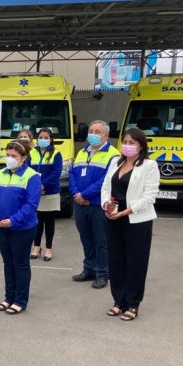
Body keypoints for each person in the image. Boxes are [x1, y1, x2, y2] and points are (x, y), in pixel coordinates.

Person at [101, 128, 159, 321]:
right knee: (116, 260)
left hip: (136, 220)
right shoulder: (115, 163)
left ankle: (133, 304)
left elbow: (150, 196)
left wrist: (127, 211)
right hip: (113, 218)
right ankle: (118, 301)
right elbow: (106, 187)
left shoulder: (149, 166)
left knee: (136, 262)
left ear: (140, 146)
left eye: (132, 142)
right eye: (125, 141)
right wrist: (106, 205)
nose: (127, 145)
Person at [0, 141, 41, 315]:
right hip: (1, 226)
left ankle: (20, 300)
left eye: (14, 156)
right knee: (8, 263)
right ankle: (9, 297)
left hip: (22, 228)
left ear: (23, 158)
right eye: (7, 155)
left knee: (20, 264)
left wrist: (13, 221)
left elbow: (31, 204)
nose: (9, 159)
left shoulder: (32, 177)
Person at [69, 120, 120, 289]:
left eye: (97, 132)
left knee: (101, 241)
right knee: (86, 239)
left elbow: (106, 180)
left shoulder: (114, 155)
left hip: (98, 205)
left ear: (105, 135)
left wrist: (85, 194)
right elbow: (72, 174)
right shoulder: (83, 152)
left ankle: (102, 273)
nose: (93, 134)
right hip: (80, 204)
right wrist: (76, 194)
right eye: (91, 131)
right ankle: (89, 269)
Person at [30, 128, 63, 261]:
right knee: (37, 222)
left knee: (49, 222)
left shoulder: (56, 153)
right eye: (41, 137)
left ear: (51, 139)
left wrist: (43, 185)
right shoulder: (32, 153)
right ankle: (36, 247)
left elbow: (56, 173)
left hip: (50, 192)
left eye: (46, 137)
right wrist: (36, 187)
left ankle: (48, 248)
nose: (43, 139)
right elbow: (28, 171)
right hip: (35, 193)